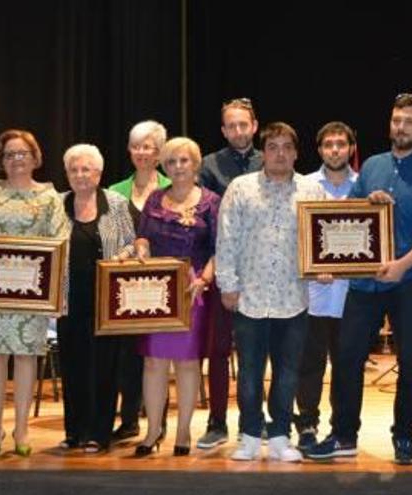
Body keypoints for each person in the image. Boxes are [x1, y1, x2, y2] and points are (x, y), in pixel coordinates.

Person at [306, 93, 412, 465]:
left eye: (408, 121)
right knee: (347, 357)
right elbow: (353, 222)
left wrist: (403, 264)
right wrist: (366, 202)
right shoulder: (372, 166)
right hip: (365, 282)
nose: (400, 127)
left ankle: (404, 435)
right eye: (395, 120)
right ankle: (343, 434)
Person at [215, 122, 325, 462]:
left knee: (287, 371)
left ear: (295, 152)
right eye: (273, 147)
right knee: (249, 372)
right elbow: (227, 237)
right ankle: (249, 434)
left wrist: (324, 264)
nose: (280, 153)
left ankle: (279, 436)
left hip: (293, 299)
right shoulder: (241, 188)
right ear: (264, 153)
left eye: (286, 147)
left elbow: (323, 239)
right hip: (249, 297)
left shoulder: (311, 191)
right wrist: (227, 284)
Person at [0, 129, 70, 457]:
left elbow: (60, 244)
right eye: (9, 154)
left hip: (32, 293)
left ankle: (21, 428)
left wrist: (57, 294)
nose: (16, 160)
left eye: (22, 153)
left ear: (35, 157)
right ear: (2, 160)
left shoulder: (50, 197)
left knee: (26, 357)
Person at [130, 137, 223, 458]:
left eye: (184, 161)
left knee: (187, 364)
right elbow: (142, 236)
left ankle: (183, 431)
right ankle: (152, 430)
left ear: (195, 164)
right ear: (164, 167)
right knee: (153, 362)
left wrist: (206, 278)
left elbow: (218, 249)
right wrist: (141, 249)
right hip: (156, 290)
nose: (178, 167)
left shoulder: (211, 201)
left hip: (193, 290)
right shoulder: (155, 198)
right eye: (171, 162)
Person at [58, 144, 137, 453]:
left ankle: (99, 433)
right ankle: (74, 431)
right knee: (72, 365)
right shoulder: (57, 204)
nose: (80, 175)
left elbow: (134, 242)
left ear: (99, 173)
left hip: (106, 301)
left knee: (103, 367)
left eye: (86, 169)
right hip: (67, 299)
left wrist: (121, 257)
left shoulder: (116, 203)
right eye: (74, 169)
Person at [196, 97, 263, 449]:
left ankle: (255, 421)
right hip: (222, 267)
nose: (238, 131)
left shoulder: (269, 160)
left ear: (254, 126)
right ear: (224, 130)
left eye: (244, 124)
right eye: (231, 125)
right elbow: (206, 222)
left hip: (264, 272)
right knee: (218, 349)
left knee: (256, 352)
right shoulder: (208, 165)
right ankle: (217, 422)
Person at [294, 122, 358, 451]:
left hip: (352, 296)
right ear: (319, 150)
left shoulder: (364, 188)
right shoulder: (303, 187)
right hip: (312, 295)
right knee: (309, 364)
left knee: (347, 366)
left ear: (350, 148)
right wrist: (312, 263)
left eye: (341, 144)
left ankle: (341, 429)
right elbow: (297, 236)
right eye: (328, 144)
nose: (335, 150)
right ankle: (306, 424)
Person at [108, 120, 171, 442]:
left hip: (162, 288)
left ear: (159, 152)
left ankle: (158, 425)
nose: (142, 152)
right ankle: (129, 419)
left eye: (148, 146)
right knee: (128, 355)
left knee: (158, 354)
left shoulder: (174, 188)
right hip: (126, 289)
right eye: (137, 146)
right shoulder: (115, 192)